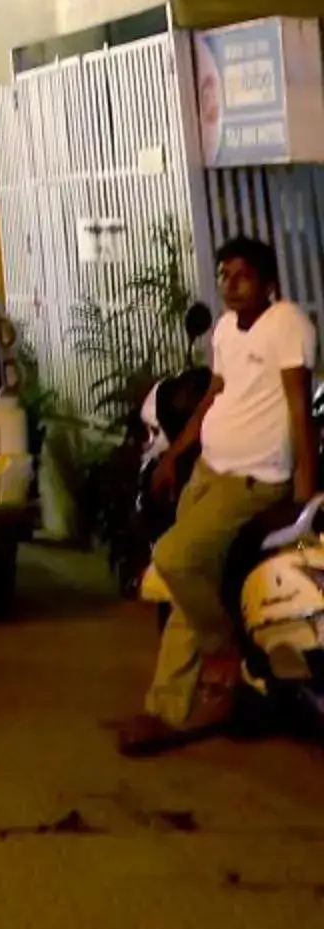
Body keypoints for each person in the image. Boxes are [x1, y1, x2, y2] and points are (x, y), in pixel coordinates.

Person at [119, 237, 319, 755]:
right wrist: (174, 455)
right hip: (210, 471)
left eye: (243, 275)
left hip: (252, 478)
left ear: (269, 282)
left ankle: (223, 651)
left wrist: (304, 487)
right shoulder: (227, 329)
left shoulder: (287, 324)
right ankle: (168, 709)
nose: (231, 284)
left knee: (175, 558)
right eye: (225, 274)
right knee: (186, 585)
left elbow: (300, 408)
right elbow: (215, 395)